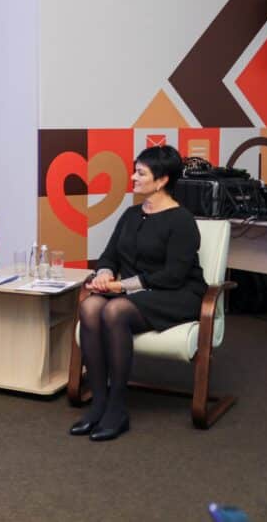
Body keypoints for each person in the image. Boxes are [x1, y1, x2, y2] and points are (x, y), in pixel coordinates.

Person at [69, 145, 204, 441]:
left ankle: (117, 408)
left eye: (141, 173)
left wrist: (120, 286)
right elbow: (109, 256)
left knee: (114, 310)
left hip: (176, 294)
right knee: (90, 307)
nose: (133, 177)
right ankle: (99, 403)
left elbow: (173, 275)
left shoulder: (181, 220)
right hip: (136, 292)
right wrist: (104, 274)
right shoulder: (131, 214)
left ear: (162, 180)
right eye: (135, 171)